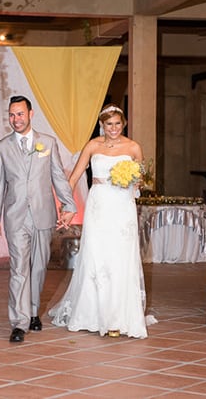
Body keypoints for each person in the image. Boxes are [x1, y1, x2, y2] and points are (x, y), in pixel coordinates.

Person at [48, 103, 148, 339]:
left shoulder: (133, 147)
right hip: (99, 205)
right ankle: (91, 313)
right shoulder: (93, 145)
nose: (113, 128)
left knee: (121, 257)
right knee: (96, 254)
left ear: (123, 124)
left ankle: (119, 316)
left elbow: (142, 181)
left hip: (123, 207)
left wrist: (133, 181)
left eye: (117, 124)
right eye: (108, 124)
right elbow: (74, 177)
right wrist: (66, 205)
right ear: (102, 125)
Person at [0, 95, 77, 343]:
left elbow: (58, 177)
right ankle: (19, 322)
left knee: (38, 267)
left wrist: (68, 205)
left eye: (20, 114)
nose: (15, 119)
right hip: (15, 217)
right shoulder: (2, 147)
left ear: (30, 114)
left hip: (43, 214)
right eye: (11, 114)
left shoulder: (47, 143)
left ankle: (33, 310)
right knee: (19, 269)